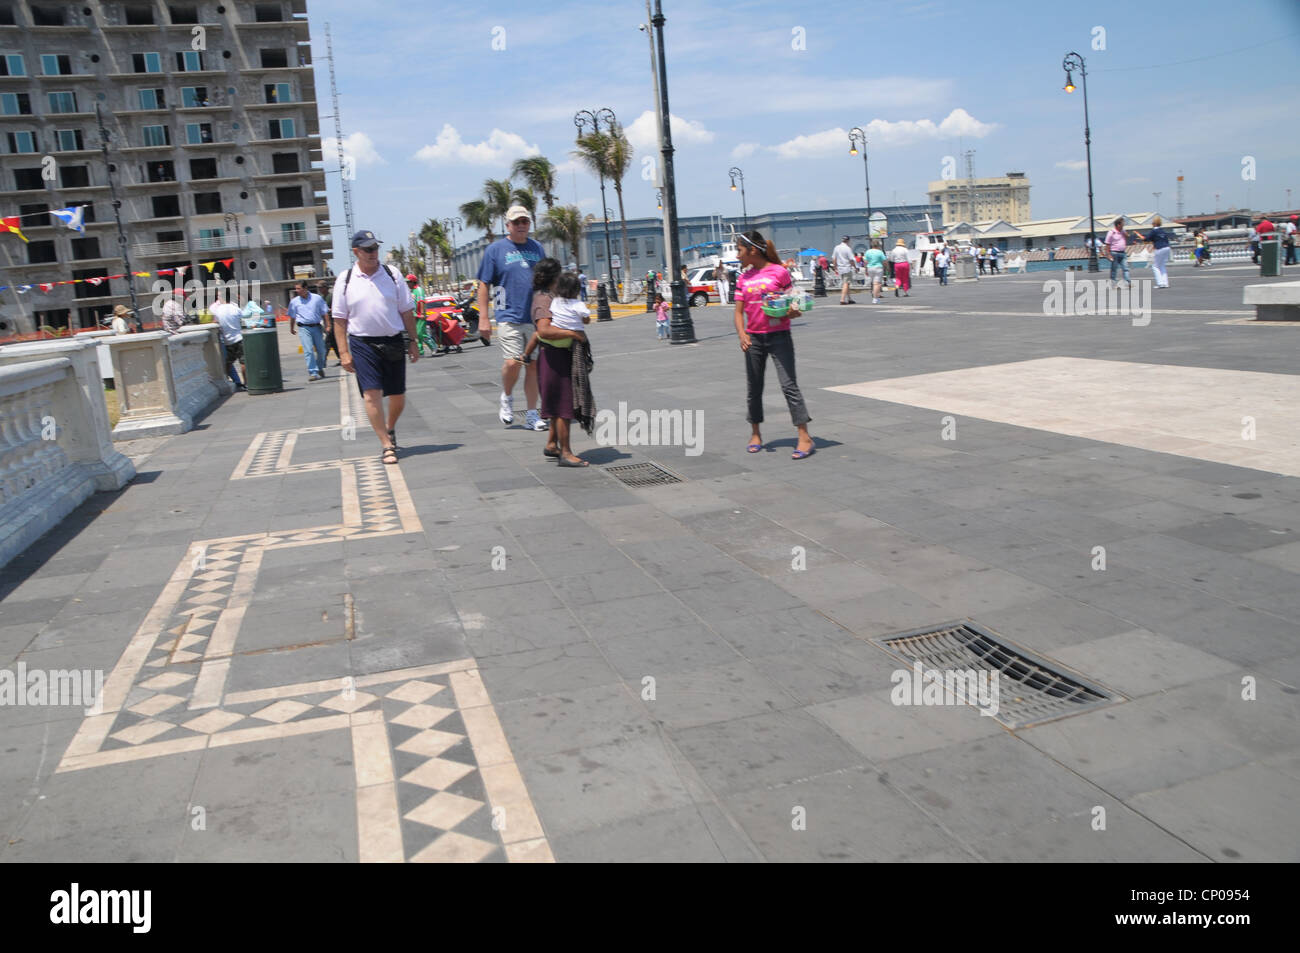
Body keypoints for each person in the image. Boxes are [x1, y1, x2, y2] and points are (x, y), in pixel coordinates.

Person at [332, 228, 418, 466]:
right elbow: (339, 319)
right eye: (368, 249)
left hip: (392, 340)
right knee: (371, 395)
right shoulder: (345, 279)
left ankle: (389, 427)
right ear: (356, 252)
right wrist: (344, 353)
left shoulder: (392, 274)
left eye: (375, 248)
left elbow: (406, 310)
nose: (373, 253)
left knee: (398, 397)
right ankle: (386, 444)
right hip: (362, 343)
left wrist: (413, 341)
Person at [733, 229, 814, 460]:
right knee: (754, 388)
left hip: (779, 337)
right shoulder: (742, 278)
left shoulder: (779, 272)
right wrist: (742, 334)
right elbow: (738, 313)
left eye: (740, 250)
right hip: (754, 338)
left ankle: (804, 436)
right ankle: (755, 433)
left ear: (752, 250)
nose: (738, 255)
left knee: (789, 386)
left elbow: (794, 304)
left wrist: (792, 311)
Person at [476, 204, 548, 431]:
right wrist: (483, 319)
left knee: (533, 366)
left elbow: (547, 281)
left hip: (534, 317)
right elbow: (483, 284)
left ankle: (531, 414)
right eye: (516, 222)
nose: (521, 226)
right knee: (513, 361)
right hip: (508, 315)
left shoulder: (537, 248)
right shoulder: (495, 250)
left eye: (525, 221)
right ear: (507, 225)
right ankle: (506, 397)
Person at [532, 261, 590, 467]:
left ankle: (551, 444)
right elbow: (543, 331)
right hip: (553, 358)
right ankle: (566, 452)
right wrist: (573, 333)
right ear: (552, 278)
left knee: (558, 404)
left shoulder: (553, 298)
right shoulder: (543, 300)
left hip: (556, 356)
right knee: (564, 406)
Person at [287, 280, 329, 381]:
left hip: (316, 327)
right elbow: (292, 316)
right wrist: (291, 328)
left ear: (305, 288)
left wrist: (328, 325)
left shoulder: (317, 298)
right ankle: (313, 372)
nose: (297, 291)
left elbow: (324, 312)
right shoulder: (294, 301)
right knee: (308, 351)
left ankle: (319, 368)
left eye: (299, 288)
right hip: (303, 328)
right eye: (296, 289)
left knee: (322, 350)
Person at [211, 292, 246, 391]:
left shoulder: (217, 310)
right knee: (243, 362)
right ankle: (246, 383)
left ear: (222, 298)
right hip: (239, 338)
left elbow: (215, 322)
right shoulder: (236, 308)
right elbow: (243, 320)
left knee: (228, 363)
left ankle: (226, 380)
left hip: (227, 341)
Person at [317, 280, 341, 365]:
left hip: (332, 321)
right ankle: (341, 358)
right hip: (325, 321)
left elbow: (337, 307)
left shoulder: (331, 297)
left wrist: (329, 310)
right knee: (333, 342)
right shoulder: (321, 298)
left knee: (327, 341)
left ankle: (323, 360)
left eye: (321, 287)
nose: (319, 289)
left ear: (325, 288)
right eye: (318, 288)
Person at [1102, 217, 1131, 286]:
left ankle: (1127, 282)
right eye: (1122, 224)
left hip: (1122, 253)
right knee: (1114, 269)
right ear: (1118, 225)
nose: (1123, 225)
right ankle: (1113, 283)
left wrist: (1125, 233)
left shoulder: (1123, 231)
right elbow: (1107, 243)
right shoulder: (1111, 232)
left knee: (1125, 268)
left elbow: (1128, 237)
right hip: (1114, 253)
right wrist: (1108, 254)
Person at [1147, 216, 1172, 289]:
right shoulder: (1162, 231)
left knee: (1155, 266)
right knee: (1162, 265)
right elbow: (1166, 240)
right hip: (1167, 248)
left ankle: (1160, 283)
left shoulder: (1154, 230)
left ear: (1154, 223)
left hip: (1160, 248)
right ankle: (1165, 283)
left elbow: (1147, 238)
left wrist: (1143, 239)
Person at [832, 235, 856, 305]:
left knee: (846, 283)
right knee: (846, 283)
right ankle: (842, 299)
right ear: (848, 241)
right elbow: (851, 259)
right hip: (847, 268)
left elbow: (834, 258)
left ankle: (849, 298)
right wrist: (855, 267)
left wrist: (835, 267)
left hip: (840, 268)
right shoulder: (848, 248)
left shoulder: (837, 247)